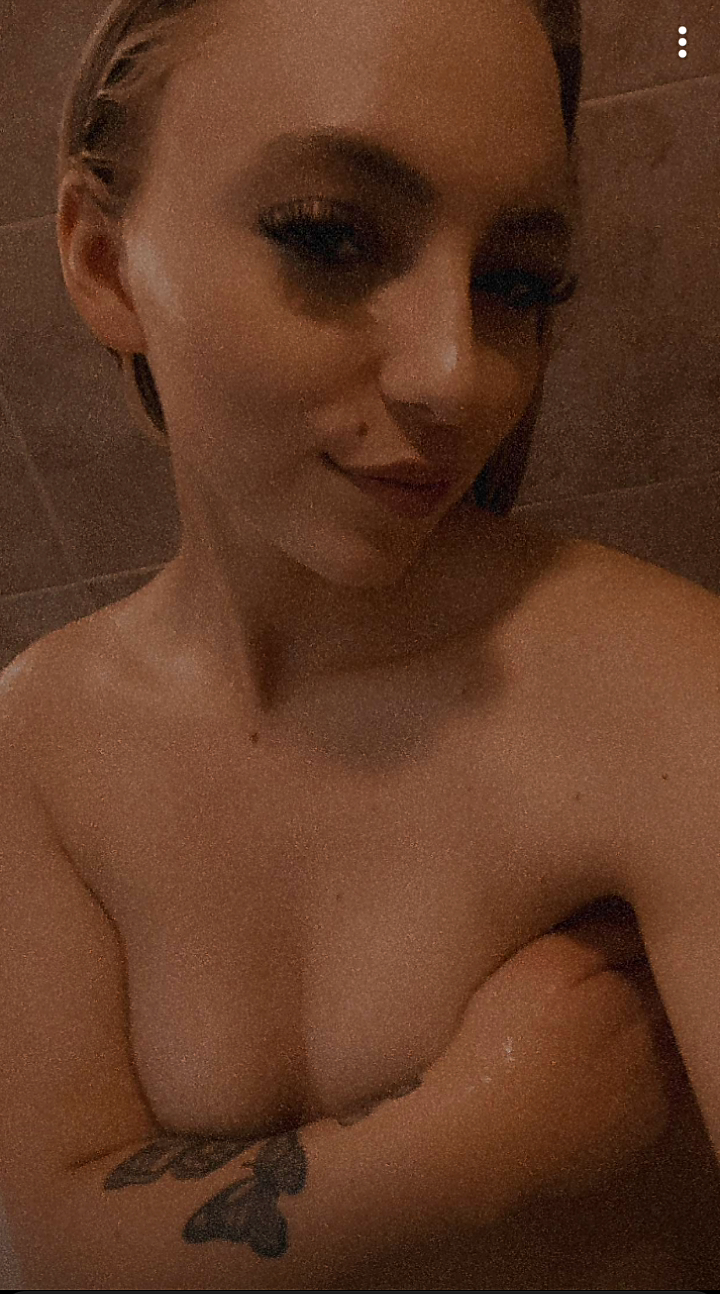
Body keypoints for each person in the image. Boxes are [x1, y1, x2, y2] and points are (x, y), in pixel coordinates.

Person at [1, 0, 719, 1287]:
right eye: (328, 237)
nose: (459, 375)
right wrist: (477, 1141)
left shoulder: (671, 698)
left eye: (516, 281)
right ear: (105, 264)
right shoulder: (35, 744)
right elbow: (45, 1242)